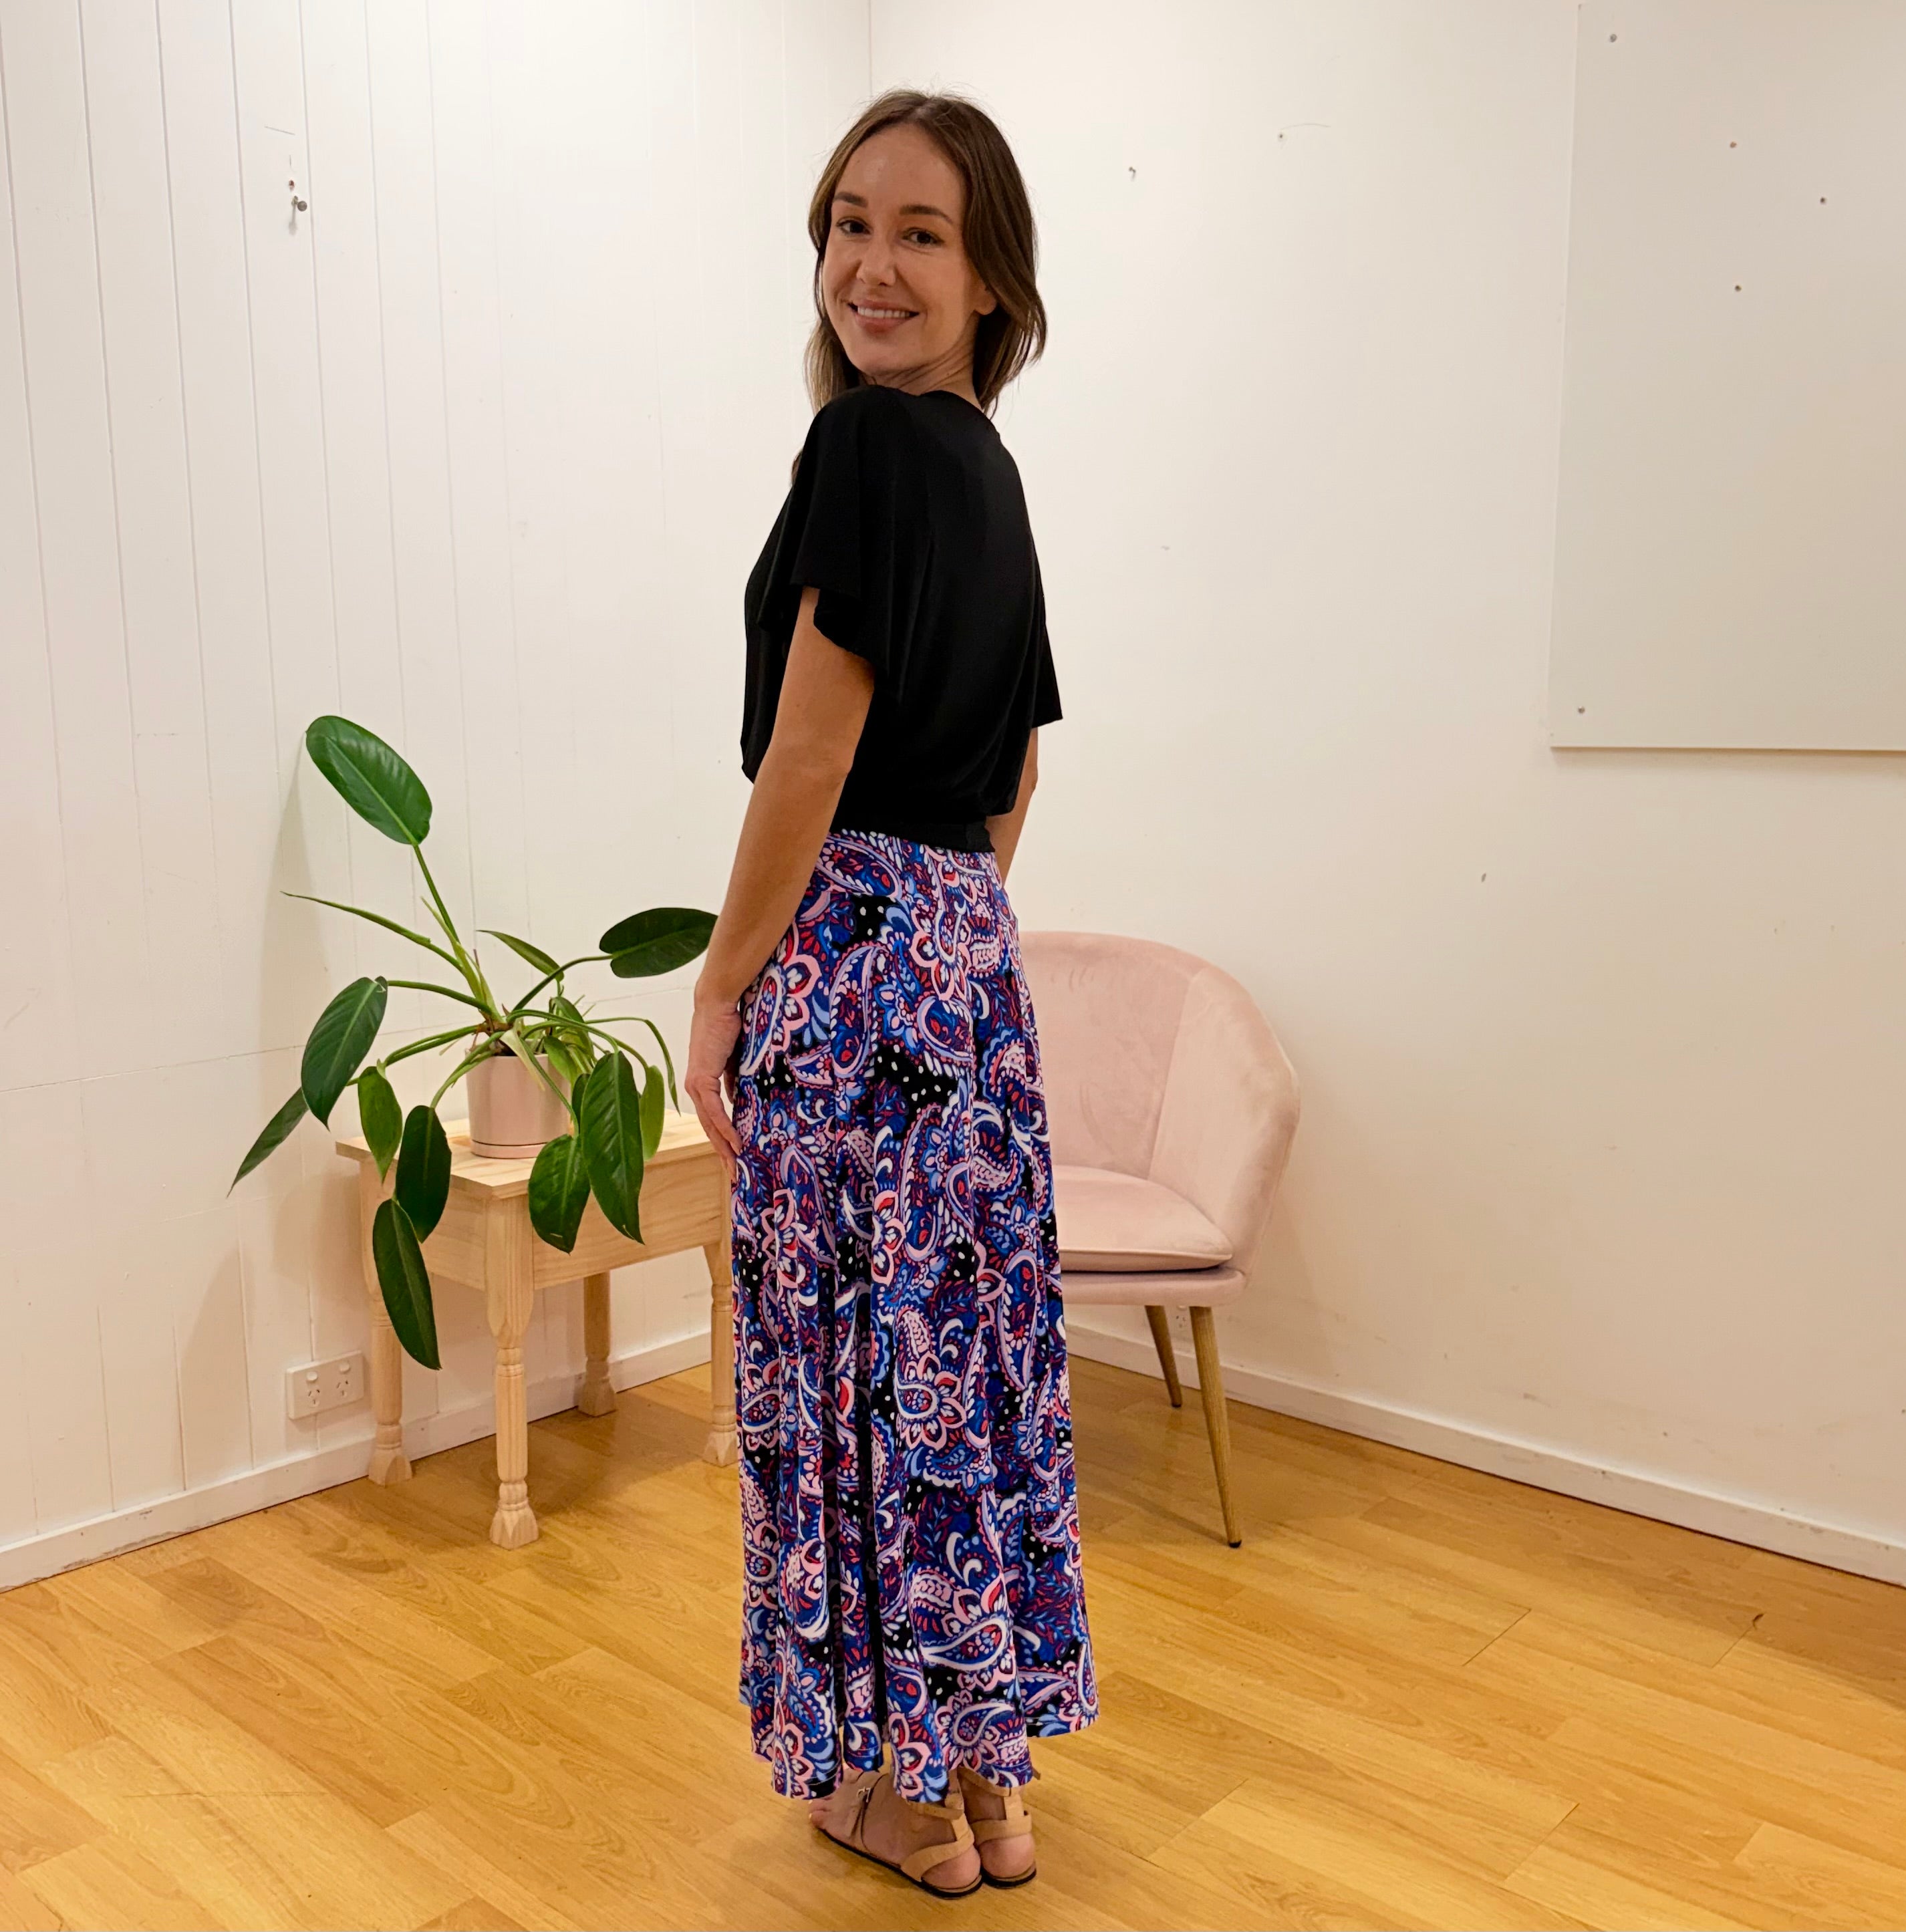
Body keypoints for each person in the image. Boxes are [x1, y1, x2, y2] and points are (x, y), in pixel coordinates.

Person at [682, 89, 1096, 1900]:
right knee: (960, 1376)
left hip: (846, 955)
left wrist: (724, 985)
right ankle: (986, 1792)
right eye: (848, 222)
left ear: (992, 274)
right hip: (964, 971)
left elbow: (805, 754)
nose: (872, 263)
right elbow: (1012, 778)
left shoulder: (861, 454)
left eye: (920, 232)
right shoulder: (991, 476)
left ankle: (895, 1795)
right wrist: (941, 935)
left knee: (847, 1377)